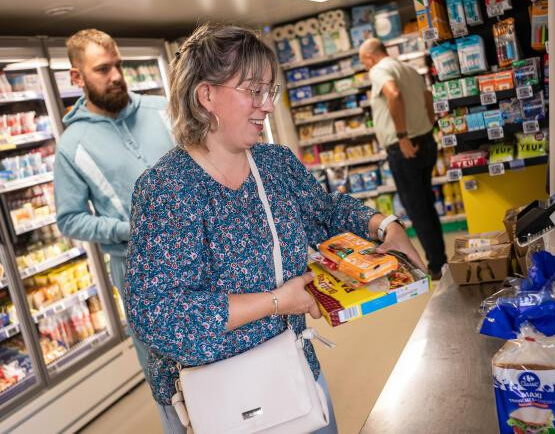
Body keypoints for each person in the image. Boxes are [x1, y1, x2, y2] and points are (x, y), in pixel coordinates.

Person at [125, 24, 426, 434]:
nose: (266, 105)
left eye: (270, 91)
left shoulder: (274, 164)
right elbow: (158, 315)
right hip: (218, 399)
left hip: (294, 370)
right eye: (253, 90)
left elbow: (323, 212)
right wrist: (277, 302)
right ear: (205, 95)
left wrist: (384, 225)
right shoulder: (167, 189)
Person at [53, 29, 174, 392]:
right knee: (165, 372)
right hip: (138, 269)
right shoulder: (72, 146)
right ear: (77, 78)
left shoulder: (163, 110)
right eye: (102, 69)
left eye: (118, 65)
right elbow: (69, 218)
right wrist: (126, 229)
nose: (117, 76)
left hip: (205, 249)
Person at [359, 38, 447, 280]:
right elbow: (428, 97)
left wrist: (402, 136)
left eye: (363, 62)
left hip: (405, 148)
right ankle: (440, 259)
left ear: (370, 57)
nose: (365, 67)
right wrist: (429, 126)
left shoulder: (379, 69)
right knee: (426, 204)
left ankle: (437, 266)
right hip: (426, 141)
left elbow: (393, 94)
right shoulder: (408, 69)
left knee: (417, 209)